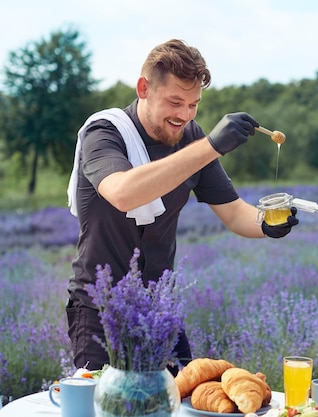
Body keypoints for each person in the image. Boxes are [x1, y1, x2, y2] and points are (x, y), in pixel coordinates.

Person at [65, 39, 299, 373]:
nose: (185, 115)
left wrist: (269, 223)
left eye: (193, 105)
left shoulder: (192, 138)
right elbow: (123, 193)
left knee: (184, 403)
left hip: (159, 311)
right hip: (100, 311)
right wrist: (211, 146)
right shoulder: (104, 132)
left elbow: (234, 212)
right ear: (144, 88)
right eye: (175, 101)